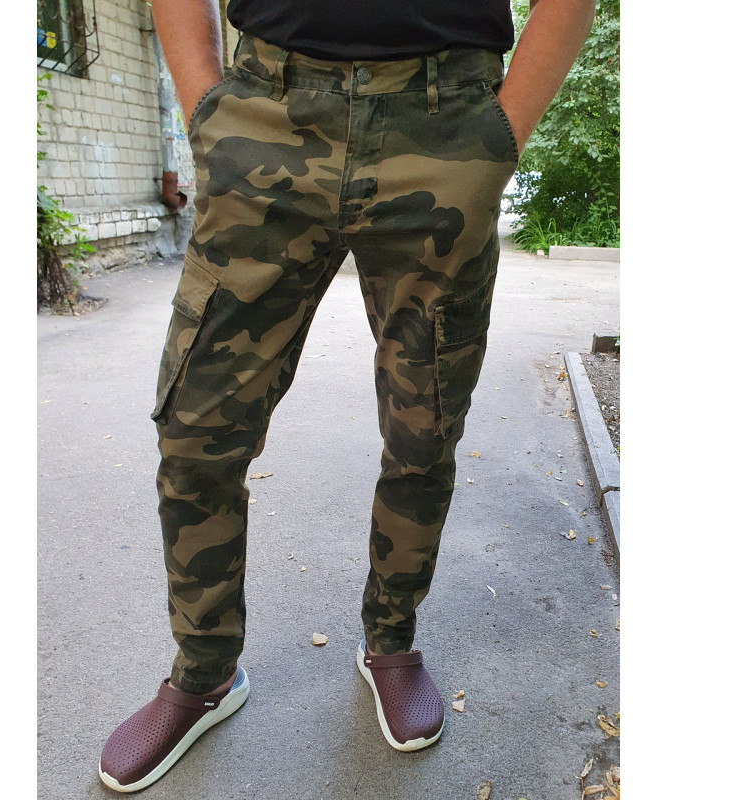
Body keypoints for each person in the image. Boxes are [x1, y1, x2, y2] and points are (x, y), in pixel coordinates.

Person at [99, 0, 596, 791]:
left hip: (444, 130)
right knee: (196, 428)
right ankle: (204, 672)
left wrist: (499, 139)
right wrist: (208, 112)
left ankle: (391, 639)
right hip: (266, 116)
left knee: (424, 427)